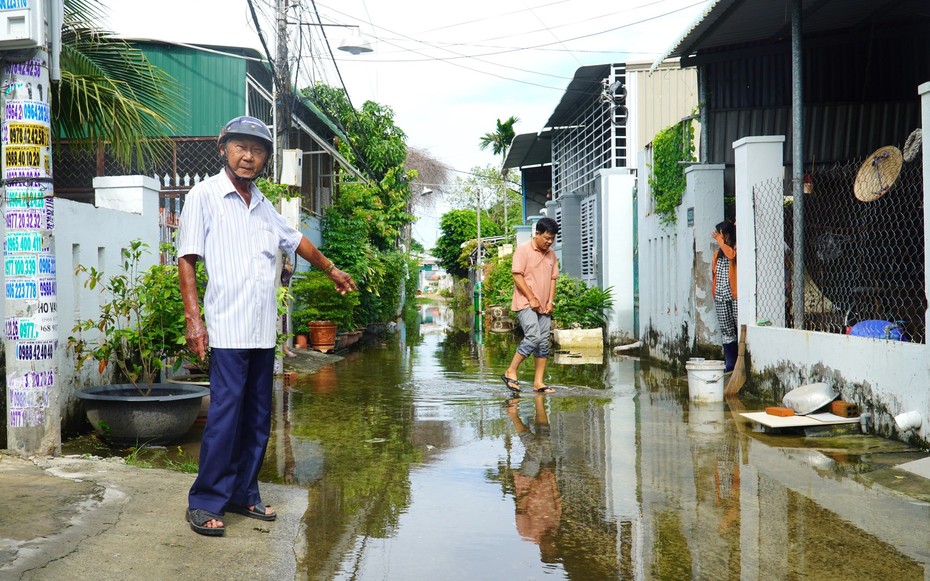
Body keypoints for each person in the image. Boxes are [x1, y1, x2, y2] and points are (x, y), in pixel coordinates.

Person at [177, 115, 356, 537]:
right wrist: (194, 320)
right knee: (224, 417)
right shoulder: (203, 196)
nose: (248, 156)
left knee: (259, 417)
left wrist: (331, 269)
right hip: (226, 328)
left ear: (265, 159)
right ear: (224, 149)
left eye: (257, 150)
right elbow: (187, 259)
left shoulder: (262, 203)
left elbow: (295, 240)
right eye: (240, 146)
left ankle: (243, 492)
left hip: (261, 331)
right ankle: (204, 501)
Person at [501, 217, 560, 394]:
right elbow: (517, 275)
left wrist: (550, 301)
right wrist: (531, 298)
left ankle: (538, 383)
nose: (549, 242)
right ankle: (511, 371)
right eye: (546, 238)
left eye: (552, 238)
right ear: (537, 234)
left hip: (544, 305)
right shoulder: (523, 250)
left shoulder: (552, 254)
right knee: (533, 336)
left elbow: (553, 279)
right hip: (525, 302)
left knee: (543, 343)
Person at [505, 395, 562, 559]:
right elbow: (557, 502)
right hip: (546, 475)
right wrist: (552, 478)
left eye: (549, 548)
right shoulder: (554, 527)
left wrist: (530, 485)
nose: (551, 544)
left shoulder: (527, 533)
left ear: (542, 550)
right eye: (554, 546)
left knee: (535, 449)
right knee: (545, 437)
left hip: (529, 478)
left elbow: (521, 508)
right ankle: (539, 401)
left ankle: (513, 415)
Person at [712, 219, 738, 372]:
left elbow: (731, 255)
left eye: (721, 236)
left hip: (733, 295)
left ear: (727, 236)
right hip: (720, 296)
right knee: (726, 329)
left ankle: (740, 359)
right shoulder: (717, 254)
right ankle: (730, 362)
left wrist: (721, 242)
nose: (718, 239)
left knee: (736, 324)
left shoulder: (733, 249)